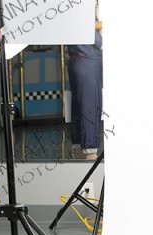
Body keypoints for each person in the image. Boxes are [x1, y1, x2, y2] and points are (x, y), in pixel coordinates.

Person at [67, 0, 102, 160]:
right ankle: (90, 152)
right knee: (90, 107)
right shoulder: (84, 11)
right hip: (88, 62)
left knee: (78, 107)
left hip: (76, 61)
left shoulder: (71, 9)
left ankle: (79, 149)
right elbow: (99, 42)